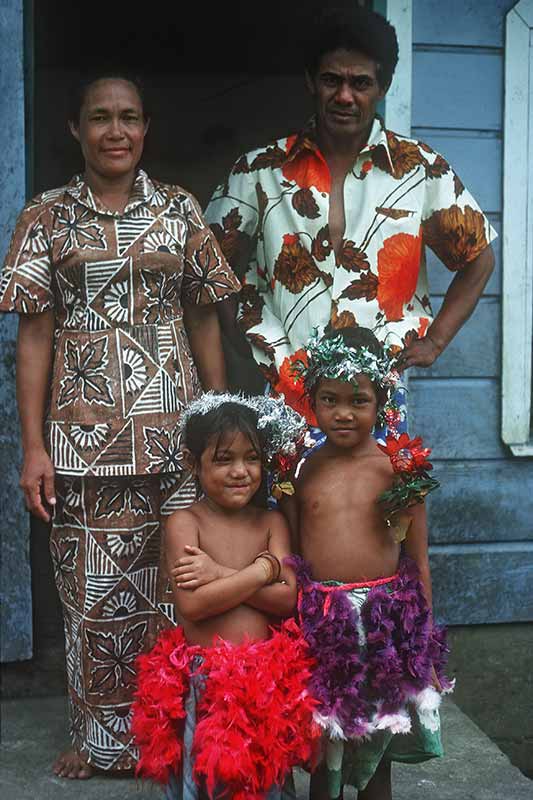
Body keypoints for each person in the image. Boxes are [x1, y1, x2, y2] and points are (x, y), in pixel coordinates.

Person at [0, 72, 240, 779]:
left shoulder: (178, 209)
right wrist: (34, 446)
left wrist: (221, 425)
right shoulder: (45, 216)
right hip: (82, 445)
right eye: (99, 118)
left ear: (145, 128)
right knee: (95, 599)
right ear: (75, 129)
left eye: (128, 117)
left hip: (175, 439)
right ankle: (98, 741)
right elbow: (34, 336)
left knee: (179, 593)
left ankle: (177, 739)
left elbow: (204, 310)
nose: (115, 131)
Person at [205, 5, 496, 423]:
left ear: (383, 87)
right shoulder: (259, 170)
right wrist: (248, 340)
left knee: (380, 490)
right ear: (311, 81)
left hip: (378, 395)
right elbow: (205, 268)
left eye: (360, 83)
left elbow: (479, 259)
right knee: (291, 492)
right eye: (331, 80)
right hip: (287, 390)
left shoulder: (419, 169)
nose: (344, 96)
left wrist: (435, 342)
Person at [281, 327, 453, 800]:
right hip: (324, 626)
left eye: (358, 400)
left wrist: (424, 642)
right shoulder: (302, 471)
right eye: (330, 399)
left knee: (379, 750)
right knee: (325, 749)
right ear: (312, 401)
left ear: (380, 400)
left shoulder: (397, 471)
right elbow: (293, 553)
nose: (343, 413)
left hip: (384, 629)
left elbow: (417, 560)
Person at [132, 393, 319, 799]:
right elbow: (194, 605)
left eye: (251, 458)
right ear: (192, 463)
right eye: (223, 459)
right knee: (210, 782)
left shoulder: (270, 520)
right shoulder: (185, 522)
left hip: (263, 684)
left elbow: (288, 599)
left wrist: (219, 574)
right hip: (206, 682)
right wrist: (261, 571)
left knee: (260, 783)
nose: (240, 471)